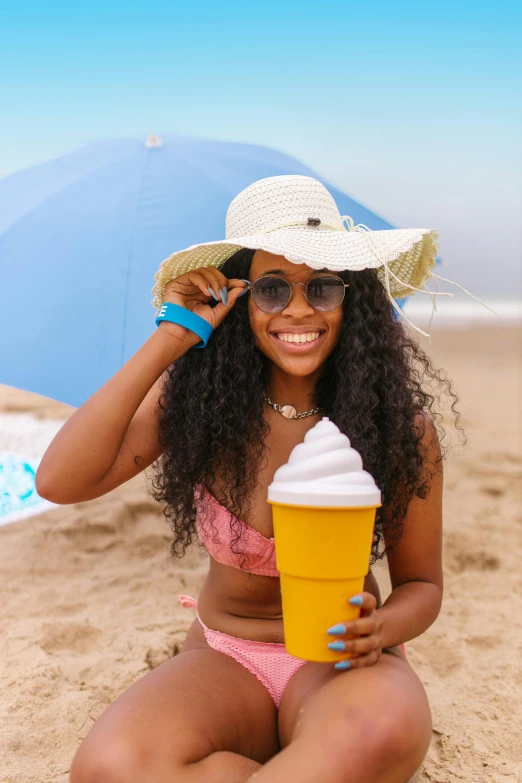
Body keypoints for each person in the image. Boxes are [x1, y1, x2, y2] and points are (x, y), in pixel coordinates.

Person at [37, 175, 465, 783]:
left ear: (353, 300)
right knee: (109, 767)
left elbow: (422, 585)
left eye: (322, 287)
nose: (297, 308)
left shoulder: (395, 425)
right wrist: (173, 335)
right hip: (226, 656)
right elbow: (58, 480)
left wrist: (382, 629)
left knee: (380, 734)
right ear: (240, 301)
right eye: (271, 290)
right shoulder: (197, 406)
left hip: (340, 663)